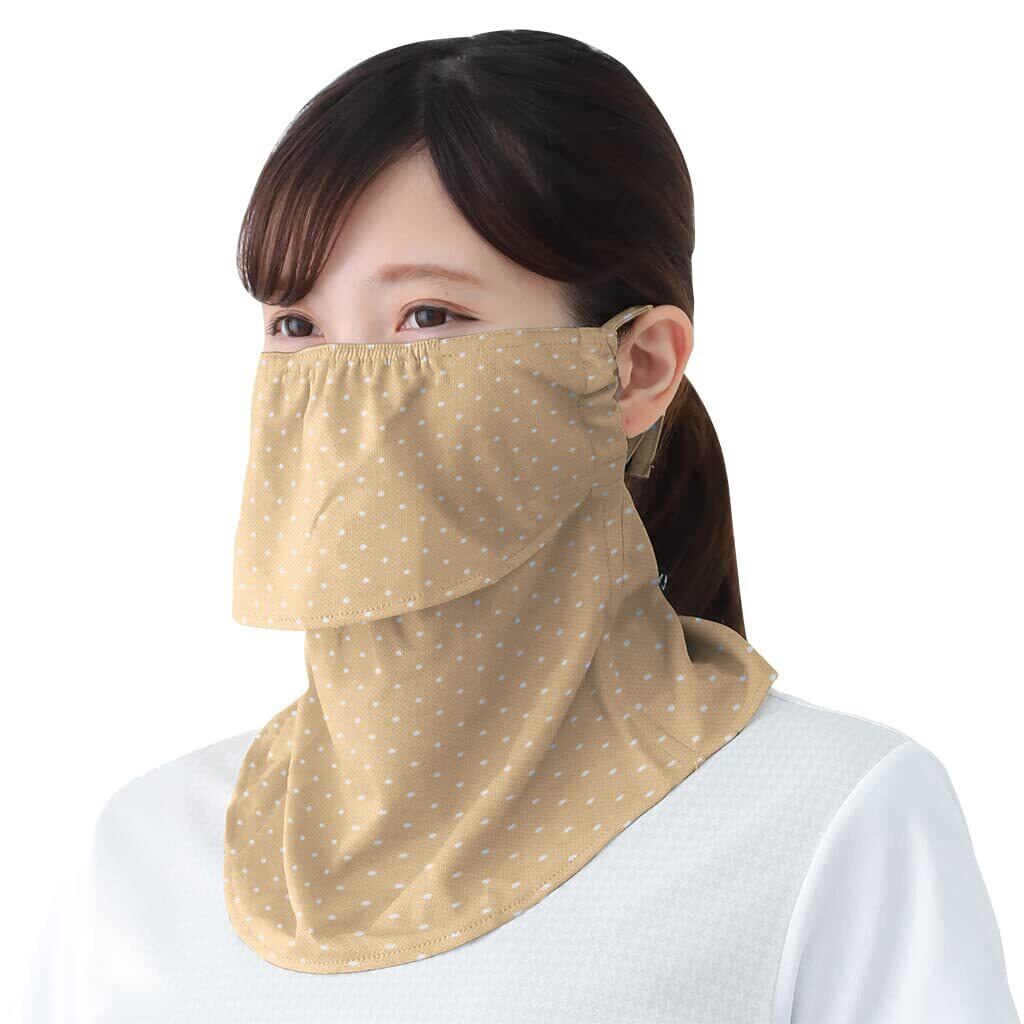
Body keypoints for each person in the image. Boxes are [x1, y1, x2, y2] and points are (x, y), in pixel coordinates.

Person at [25, 28, 1019, 1024]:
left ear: (635, 369)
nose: (337, 392)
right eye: (297, 326)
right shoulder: (143, 859)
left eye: (428, 316)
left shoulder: (830, 820)